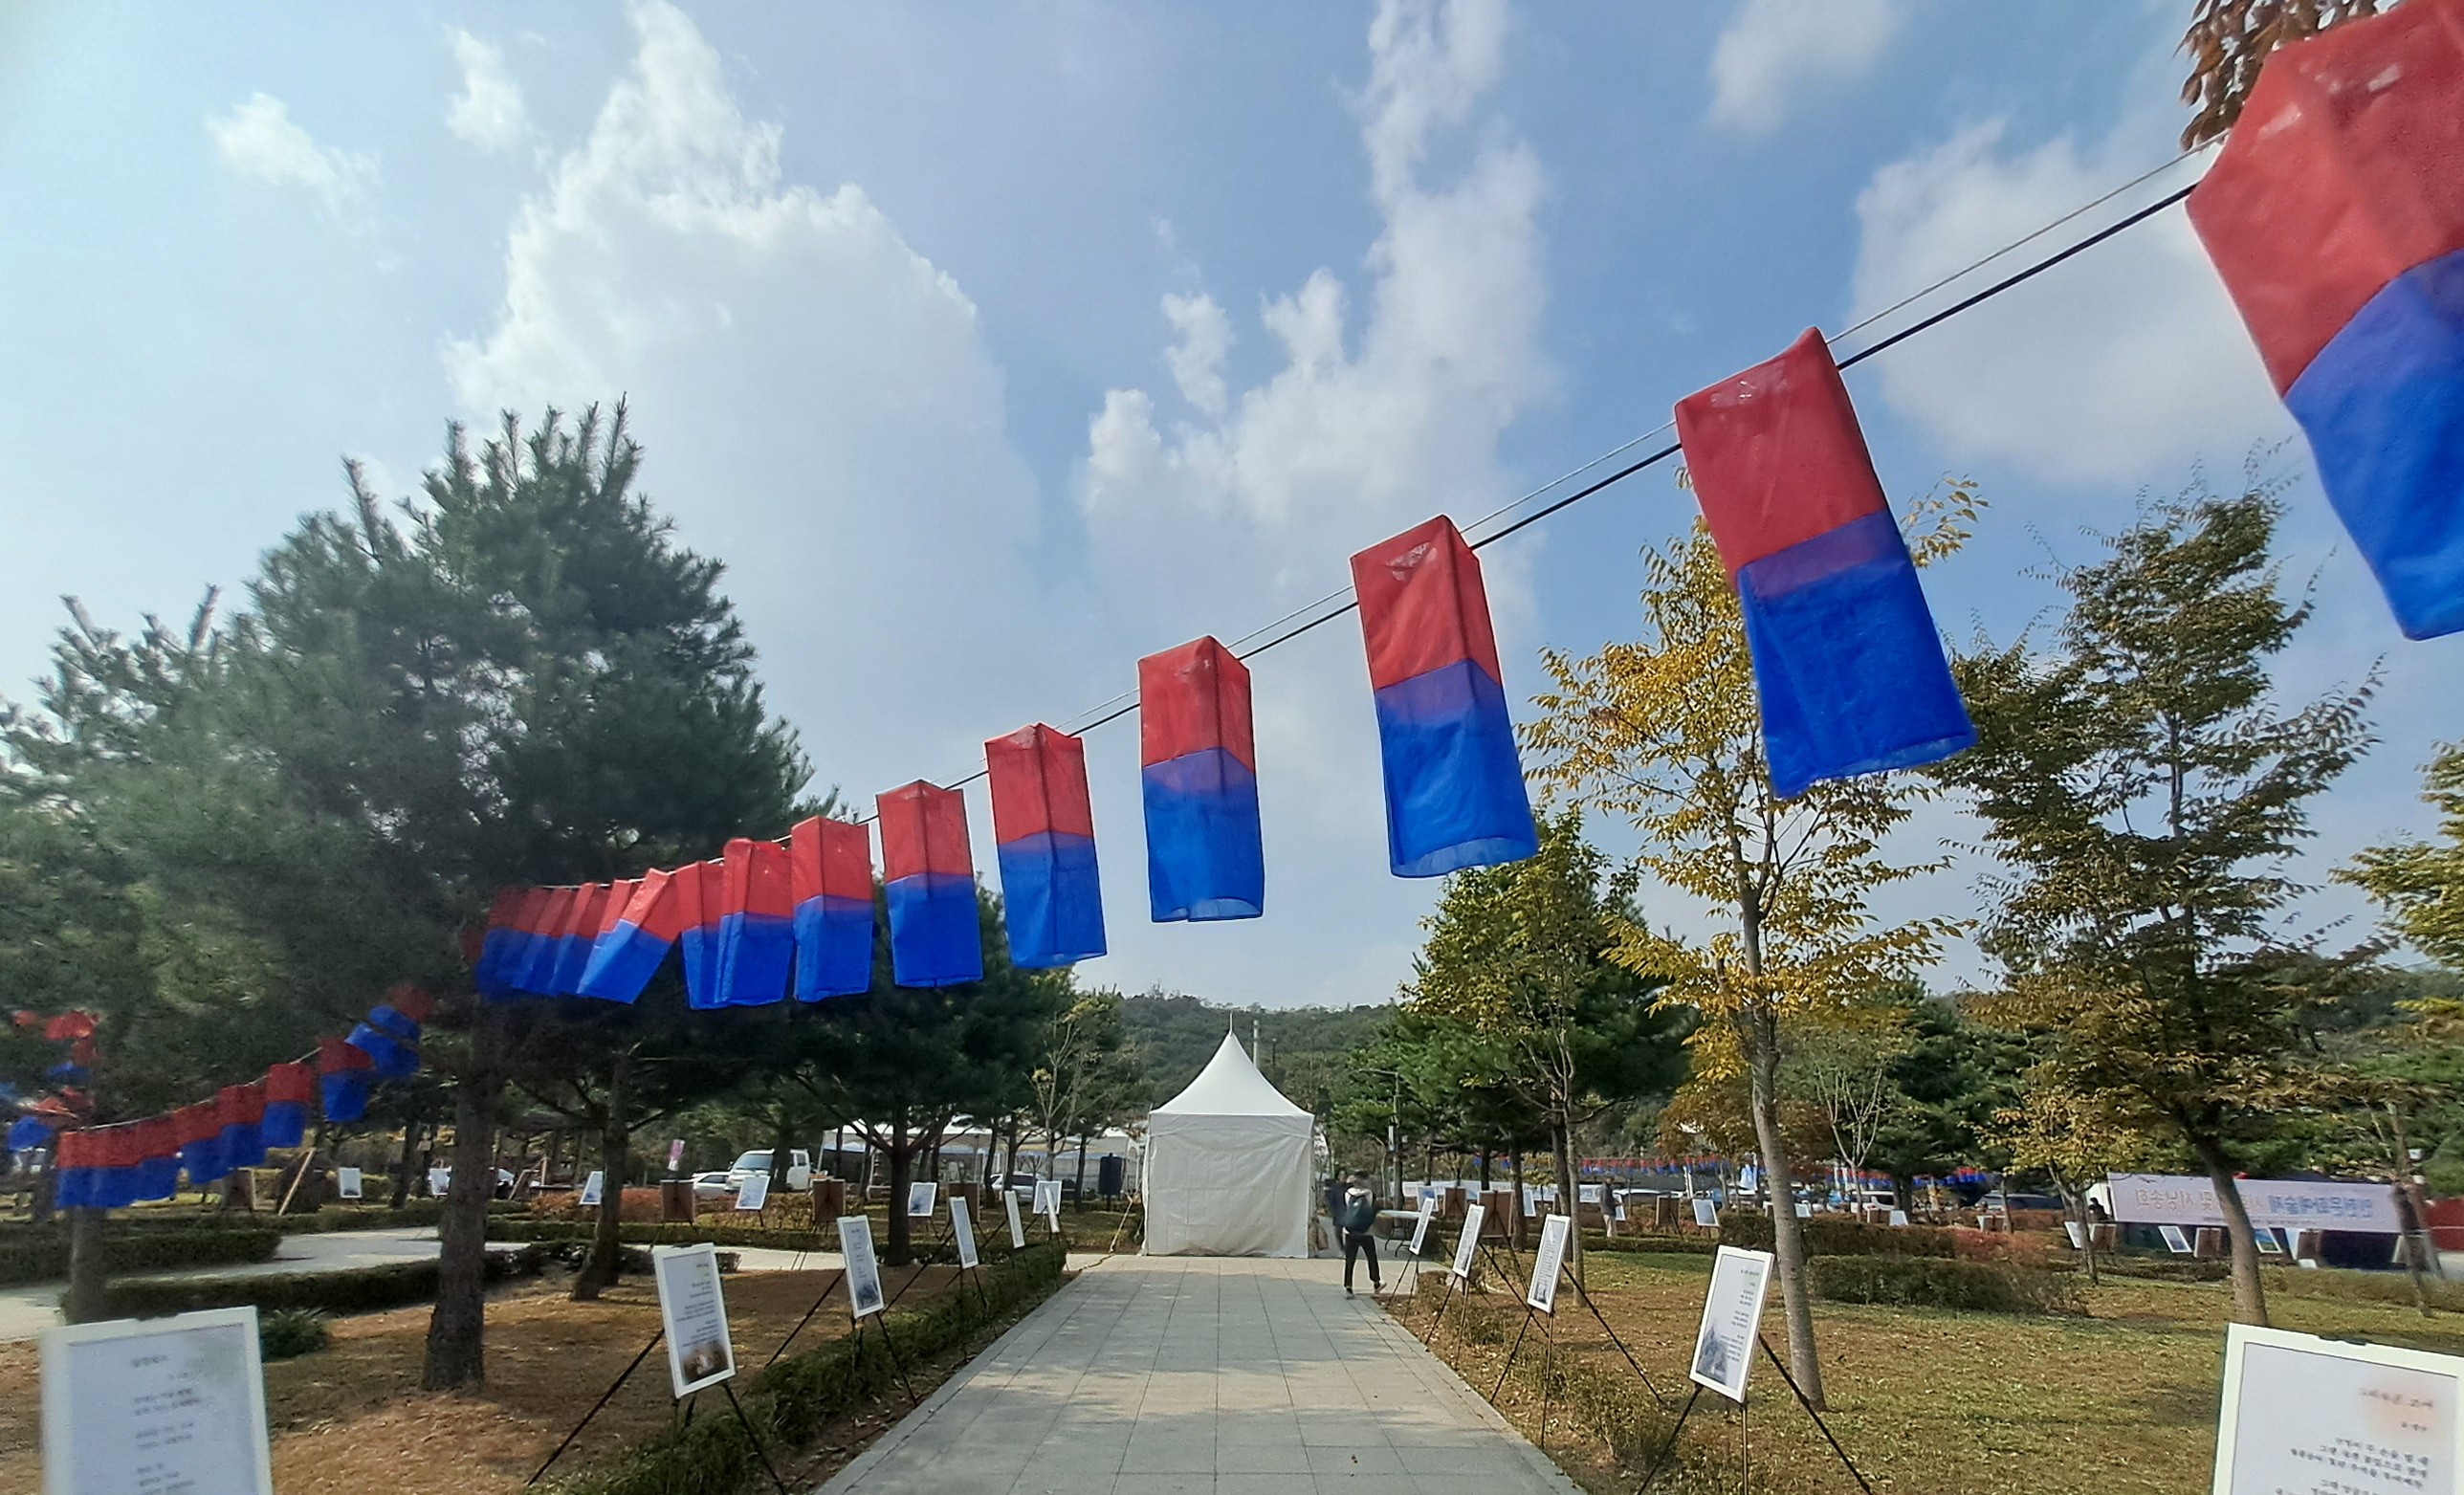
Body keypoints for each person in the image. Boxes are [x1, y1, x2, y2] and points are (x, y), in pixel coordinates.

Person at [1337, 1172, 1381, 1296]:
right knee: (1371, 1257)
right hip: (1366, 1232)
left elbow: (1347, 1208)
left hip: (1350, 1231)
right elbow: (1371, 1209)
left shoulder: (1347, 1194)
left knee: (1350, 1259)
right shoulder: (1370, 1194)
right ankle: (1376, 1282)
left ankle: (1348, 1286)